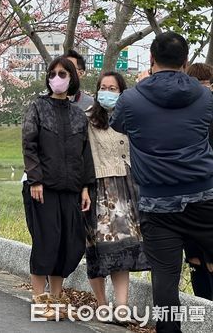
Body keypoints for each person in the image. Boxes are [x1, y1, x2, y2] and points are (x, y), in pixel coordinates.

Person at [110, 32, 213, 332]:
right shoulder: (205, 96)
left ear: (152, 59)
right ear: (185, 60)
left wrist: (143, 86)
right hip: (204, 196)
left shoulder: (131, 99)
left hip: (157, 204)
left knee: (165, 280)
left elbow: (117, 123)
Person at [22, 56, 95, 319]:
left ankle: (56, 296)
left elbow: (86, 153)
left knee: (69, 243)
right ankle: (39, 298)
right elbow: (29, 145)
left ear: (72, 78)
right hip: (43, 188)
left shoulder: (78, 114)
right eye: (53, 73)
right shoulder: (37, 108)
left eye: (63, 74)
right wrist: (35, 180)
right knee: (46, 241)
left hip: (72, 189)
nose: (57, 78)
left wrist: (86, 187)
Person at [85, 71, 150, 319]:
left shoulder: (132, 117)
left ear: (122, 91)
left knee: (123, 249)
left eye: (113, 88)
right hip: (99, 189)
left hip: (128, 188)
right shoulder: (88, 118)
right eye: (103, 87)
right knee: (98, 248)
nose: (107, 92)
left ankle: (121, 308)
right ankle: (102, 304)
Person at [183, 63, 213, 300]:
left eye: (207, 85)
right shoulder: (182, 113)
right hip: (189, 194)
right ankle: (203, 308)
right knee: (193, 256)